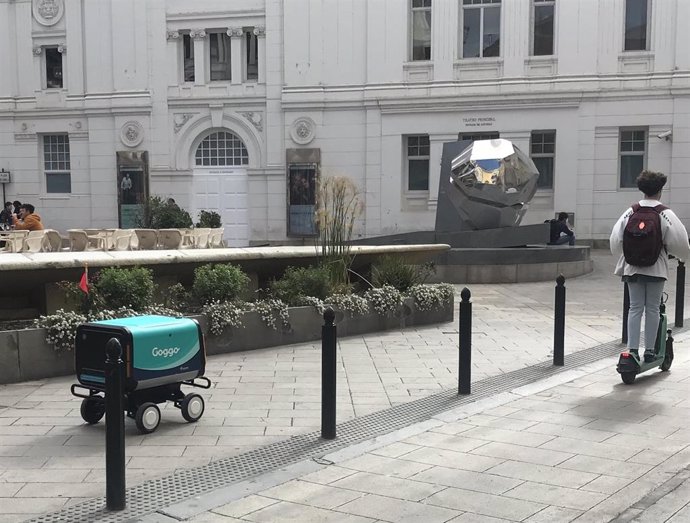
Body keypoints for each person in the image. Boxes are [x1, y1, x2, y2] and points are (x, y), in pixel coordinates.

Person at [610, 170, 690, 360]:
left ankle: (632, 350)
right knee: (653, 308)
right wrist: (681, 256)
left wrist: (625, 255)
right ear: (660, 190)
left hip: (632, 267)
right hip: (656, 268)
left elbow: (615, 239)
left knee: (635, 307)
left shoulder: (631, 211)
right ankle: (650, 351)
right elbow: (681, 242)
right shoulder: (665, 213)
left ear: (642, 189)